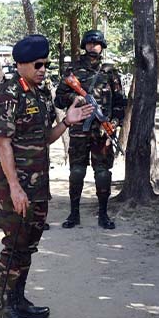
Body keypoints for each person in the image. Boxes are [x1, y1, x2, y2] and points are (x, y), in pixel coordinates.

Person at [0, 34, 93, 318]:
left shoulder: (40, 93)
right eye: (37, 64)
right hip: (18, 185)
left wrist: (67, 122)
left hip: (38, 184)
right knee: (14, 245)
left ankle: (19, 299)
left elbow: (45, 138)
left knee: (29, 243)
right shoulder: (9, 93)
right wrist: (14, 187)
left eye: (45, 64)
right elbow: (2, 142)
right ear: (21, 64)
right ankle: (5, 309)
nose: (42, 69)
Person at [55, 30, 126, 230]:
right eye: (90, 44)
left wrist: (115, 122)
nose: (93, 47)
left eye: (97, 44)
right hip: (79, 130)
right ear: (84, 46)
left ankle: (103, 214)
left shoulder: (110, 71)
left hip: (102, 133)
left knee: (103, 173)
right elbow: (59, 98)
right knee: (76, 171)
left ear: (102, 46)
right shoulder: (73, 69)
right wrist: (75, 98)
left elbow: (120, 101)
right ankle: (74, 213)